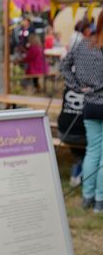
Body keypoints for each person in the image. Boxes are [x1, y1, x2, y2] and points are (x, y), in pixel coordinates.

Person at [60, 16, 103, 213]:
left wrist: (77, 87)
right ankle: (99, 201)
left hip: (90, 105)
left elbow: (64, 65)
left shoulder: (84, 44)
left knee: (93, 151)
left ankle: (87, 196)